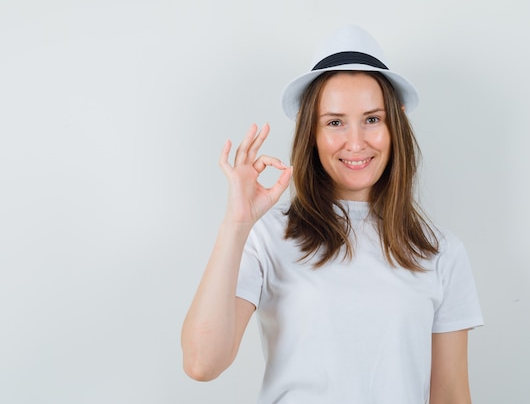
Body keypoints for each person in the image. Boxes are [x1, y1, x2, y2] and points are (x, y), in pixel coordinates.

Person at [181, 25, 483, 404]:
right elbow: (201, 363)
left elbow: (452, 394)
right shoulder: (269, 237)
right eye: (335, 122)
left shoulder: (440, 252)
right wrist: (236, 224)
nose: (355, 143)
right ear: (312, 132)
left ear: (396, 123)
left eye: (372, 119)